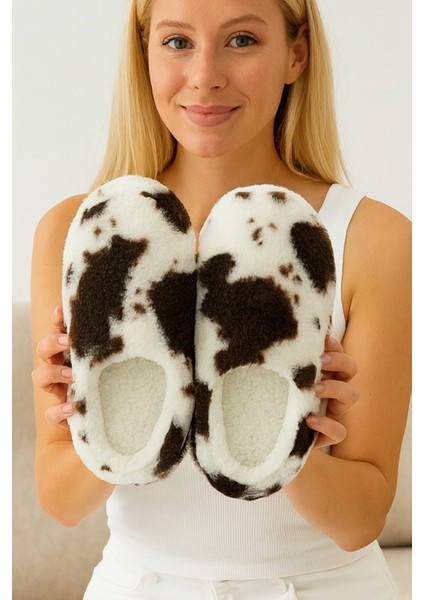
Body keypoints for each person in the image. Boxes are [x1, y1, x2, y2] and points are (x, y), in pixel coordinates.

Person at [31, 0, 411, 598]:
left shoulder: (373, 238)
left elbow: (359, 522)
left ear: (296, 54)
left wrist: (282, 432)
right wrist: (100, 423)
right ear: (145, 54)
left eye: (241, 41)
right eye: (177, 42)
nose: (205, 75)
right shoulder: (83, 234)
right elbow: (59, 500)